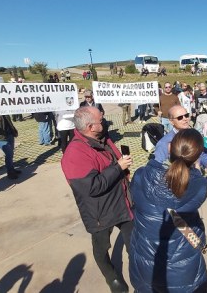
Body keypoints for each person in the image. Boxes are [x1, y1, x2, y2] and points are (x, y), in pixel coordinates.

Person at [61, 106, 133, 293]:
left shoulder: (104, 138)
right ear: (91, 127)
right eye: (101, 120)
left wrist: (124, 170)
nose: (105, 120)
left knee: (135, 244)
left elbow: (116, 158)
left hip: (123, 203)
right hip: (100, 212)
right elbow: (91, 187)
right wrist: (118, 167)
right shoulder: (74, 154)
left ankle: (140, 276)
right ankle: (112, 277)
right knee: (102, 248)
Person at [130, 128, 207, 292]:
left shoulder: (141, 175)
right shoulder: (200, 185)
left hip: (145, 259)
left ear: (169, 146)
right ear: (198, 155)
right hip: (182, 262)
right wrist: (195, 167)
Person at [154, 105, 207, 174]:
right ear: (171, 122)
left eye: (186, 115)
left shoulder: (194, 134)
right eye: (180, 117)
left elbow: (200, 153)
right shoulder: (165, 143)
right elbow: (158, 167)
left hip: (195, 176)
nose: (185, 119)